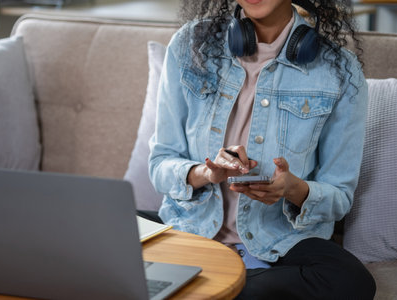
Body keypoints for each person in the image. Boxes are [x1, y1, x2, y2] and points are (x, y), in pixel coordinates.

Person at [146, 0, 377, 298]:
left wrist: (294, 190)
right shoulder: (190, 46)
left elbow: (339, 196)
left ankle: (218, 286)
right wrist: (205, 172)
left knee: (351, 280)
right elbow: (160, 163)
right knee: (91, 227)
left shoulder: (340, 70)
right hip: (191, 230)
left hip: (281, 245)